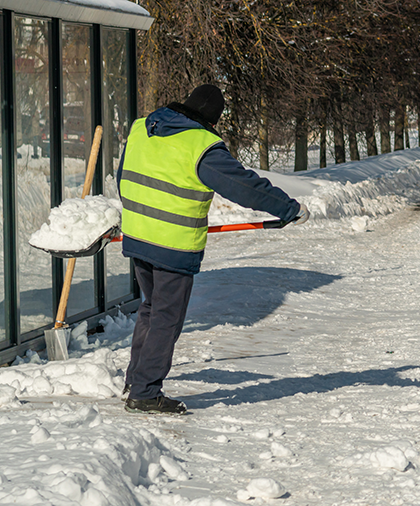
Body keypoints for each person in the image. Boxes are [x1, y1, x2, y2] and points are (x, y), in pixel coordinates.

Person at [117, 84, 309, 414]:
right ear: (213, 120)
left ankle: (136, 380)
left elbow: (123, 176)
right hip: (171, 245)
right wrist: (288, 208)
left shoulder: (142, 128)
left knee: (151, 308)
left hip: (137, 235)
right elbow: (243, 186)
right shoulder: (200, 145)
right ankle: (145, 392)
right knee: (166, 317)